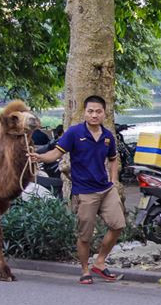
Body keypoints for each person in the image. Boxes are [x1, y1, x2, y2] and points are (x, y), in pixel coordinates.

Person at [30, 95, 126, 284]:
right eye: (90, 111)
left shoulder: (108, 136)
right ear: (84, 113)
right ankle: (85, 270)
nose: (94, 115)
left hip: (106, 189)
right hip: (84, 191)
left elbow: (113, 159)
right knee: (85, 236)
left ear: (104, 113)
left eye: (98, 111)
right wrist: (39, 157)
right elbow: (55, 154)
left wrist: (114, 180)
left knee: (118, 225)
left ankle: (99, 262)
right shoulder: (74, 133)